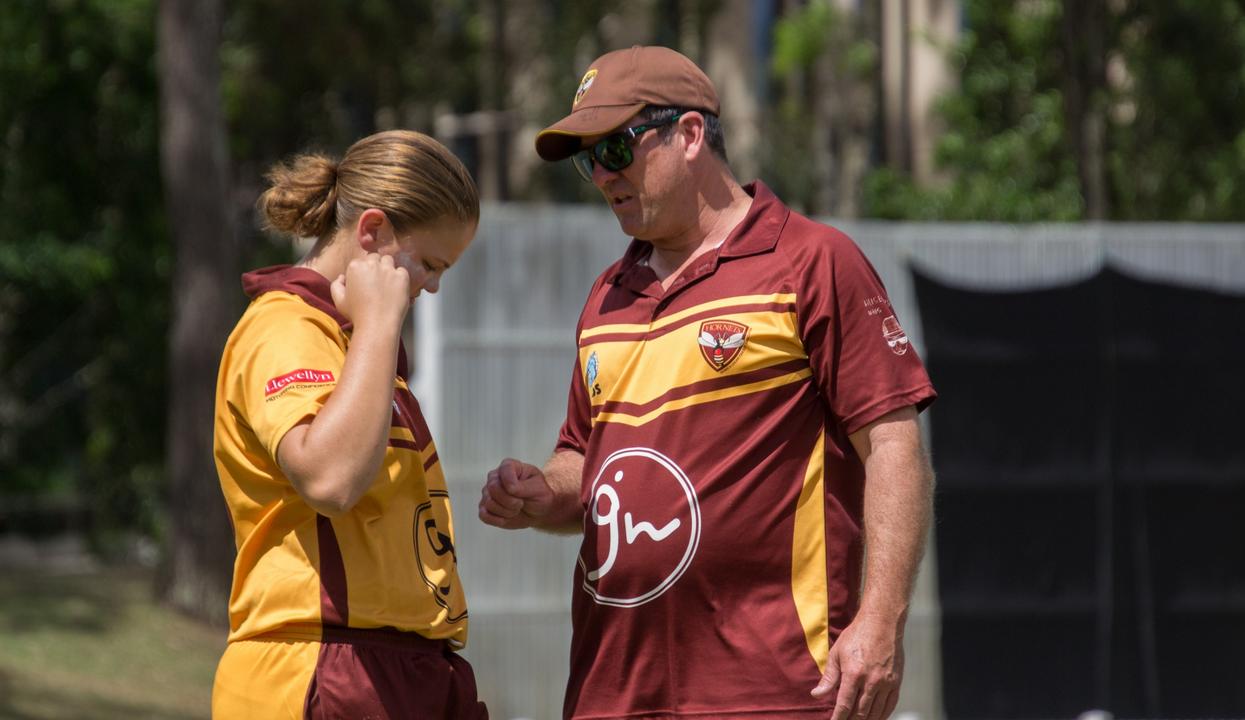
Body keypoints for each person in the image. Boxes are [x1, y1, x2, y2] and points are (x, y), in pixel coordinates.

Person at [478, 46, 937, 720]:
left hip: (772, 694)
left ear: (690, 135)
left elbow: (895, 450)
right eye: (586, 160)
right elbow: (587, 462)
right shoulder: (607, 296)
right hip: (611, 694)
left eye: (616, 148)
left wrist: (880, 622)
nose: (601, 176)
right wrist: (541, 491)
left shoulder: (813, 262)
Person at [211, 130, 488, 719]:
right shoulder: (284, 329)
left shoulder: (359, 346)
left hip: (403, 667)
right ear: (372, 232)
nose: (432, 287)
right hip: (324, 669)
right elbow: (331, 479)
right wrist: (381, 323)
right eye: (430, 264)